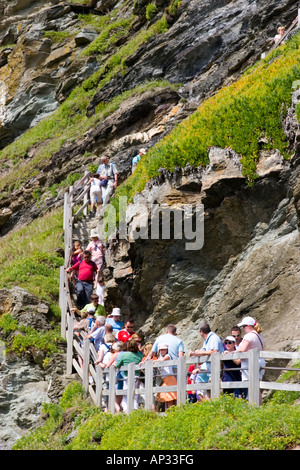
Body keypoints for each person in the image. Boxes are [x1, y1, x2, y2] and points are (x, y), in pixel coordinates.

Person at [189, 322, 224, 401]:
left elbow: (215, 352)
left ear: (201, 332)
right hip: (206, 369)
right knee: (200, 389)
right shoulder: (206, 341)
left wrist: (200, 352)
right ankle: (208, 407)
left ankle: (213, 407)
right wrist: (194, 353)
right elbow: (203, 352)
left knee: (213, 391)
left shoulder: (213, 338)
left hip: (214, 369)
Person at [236, 316, 266, 403]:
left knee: (251, 386)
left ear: (248, 326)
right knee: (257, 387)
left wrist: (233, 352)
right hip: (260, 361)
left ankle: (253, 406)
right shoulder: (259, 335)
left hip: (251, 363)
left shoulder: (249, 336)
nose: (243, 329)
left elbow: (242, 349)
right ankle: (258, 406)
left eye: (243, 327)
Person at [115, 339, 143, 412]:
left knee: (126, 393)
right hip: (136, 376)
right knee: (135, 393)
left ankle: (126, 408)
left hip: (127, 376)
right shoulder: (139, 355)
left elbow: (117, 365)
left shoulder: (124, 354)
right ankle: (135, 407)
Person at [154, 343, 177, 409]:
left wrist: (154, 361)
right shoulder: (160, 357)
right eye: (161, 350)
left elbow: (163, 360)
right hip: (165, 378)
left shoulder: (168, 356)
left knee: (170, 396)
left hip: (169, 377)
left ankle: (172, 410)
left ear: (166, 350)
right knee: (167, 396)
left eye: (164, 350)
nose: (162, 351)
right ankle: (169, 410)